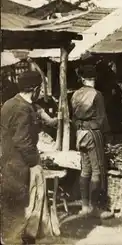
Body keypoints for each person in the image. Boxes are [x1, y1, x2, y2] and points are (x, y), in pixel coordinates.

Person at [1, 71, 44, 244]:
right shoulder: (23, 108)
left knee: (10, 204)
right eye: (39, 89)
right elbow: (22, 140)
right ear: (35, 89)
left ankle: (10, 238)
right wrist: (34, 163)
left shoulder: (10, 103)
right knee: (23, 205)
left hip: (7, 161)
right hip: (19, 163)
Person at [71, 65, 112, 217]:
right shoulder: (97, 94)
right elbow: (102, 119)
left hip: (80, 133)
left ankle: (85, 206)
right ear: (93, 79)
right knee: (97, 169)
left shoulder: (75, 94)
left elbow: (74, 118)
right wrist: (107, 136)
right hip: (93, 133)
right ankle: (97, 208)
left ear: (82, 79)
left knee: (85, 169)